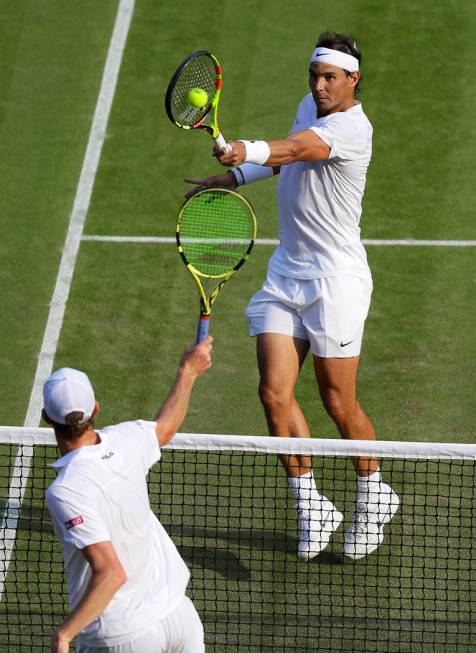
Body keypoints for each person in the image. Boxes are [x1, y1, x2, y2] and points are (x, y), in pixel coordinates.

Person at [185, 32, 399, 561]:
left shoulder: (352, 128)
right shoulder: (310, 105)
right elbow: (285, 157)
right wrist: (236, 172)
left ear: (353, 79)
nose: (320, 86)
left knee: (336, 401)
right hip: (288, 274)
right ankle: (312, 504)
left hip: (336, 282)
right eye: (315, 75)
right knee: (273, 394)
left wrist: (246, 147)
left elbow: (299, 148)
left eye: (331, 77)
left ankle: (374, 495)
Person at [43, 337, 213, 652]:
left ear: (45, 417)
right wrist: (187, 373)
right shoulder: (128, 438)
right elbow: (165, 428)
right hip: (179, 616)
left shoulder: (65, 491)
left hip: (123, 636)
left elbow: (111, 574)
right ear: (95, 408)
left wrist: (64, 635)